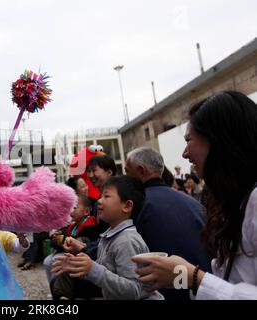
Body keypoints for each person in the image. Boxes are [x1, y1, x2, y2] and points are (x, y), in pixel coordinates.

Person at [133, 91, 257, 299]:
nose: (184, 153)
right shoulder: (234, 201)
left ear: (219, 140)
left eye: (189, 140)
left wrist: (192, 277)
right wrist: (181, 278)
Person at [51, 176, 163, 300]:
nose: (99, 201)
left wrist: (92, 269)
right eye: (100, 196)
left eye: (106, 196)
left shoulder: (126, 241)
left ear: (127, 206)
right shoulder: (111, 236)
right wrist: (82, 266)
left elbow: (134, 291)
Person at [125, 147, 211, 300]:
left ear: (140, 170)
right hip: (204, 288)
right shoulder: (193, 203)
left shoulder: (136, 205)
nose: (125, 179)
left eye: (127, 172)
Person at [43, 194, 98, 282]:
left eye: (74, 208)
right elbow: (65, 237)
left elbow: (75, 242)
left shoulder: (89, 226)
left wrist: (60, 239)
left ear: (87, 211)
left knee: (55, 261)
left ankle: (59, 288)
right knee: (47, 261)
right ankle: (54, 287)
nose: (71, 211)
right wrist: (57, 235)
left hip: (82, 256)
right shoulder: (74, 225)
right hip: (70, 252)